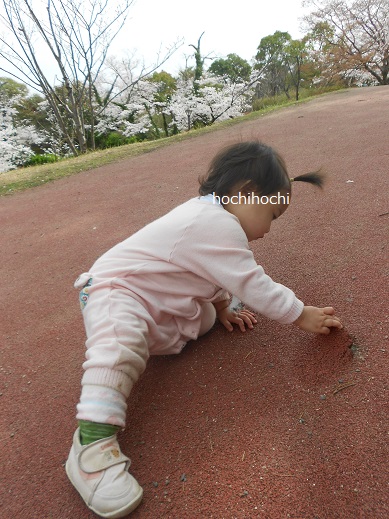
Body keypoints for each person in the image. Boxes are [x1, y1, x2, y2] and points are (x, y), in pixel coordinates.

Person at [65, 141, 343, 517]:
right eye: (273, 215)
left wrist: (223, 306)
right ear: (246, 192)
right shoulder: (213, 222)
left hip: (157, 301)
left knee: (207, 318)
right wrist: (300, 314)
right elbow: (252, 282)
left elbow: (207, 276)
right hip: (114, 291)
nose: (270, 229)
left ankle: (166, 333)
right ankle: (91, 444)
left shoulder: (212, 221)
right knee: (121, 344)